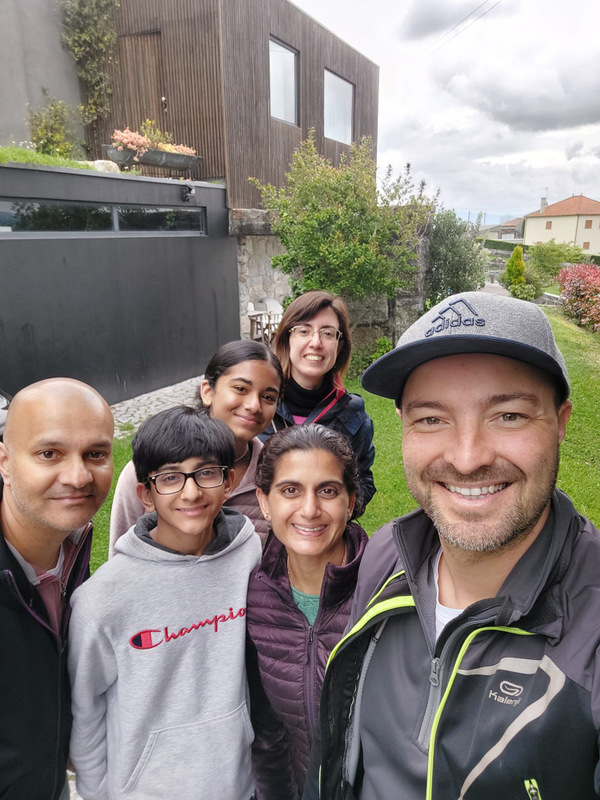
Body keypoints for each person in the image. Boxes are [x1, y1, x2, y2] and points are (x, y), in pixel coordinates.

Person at [305, 292, 600, 800]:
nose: (466, 459)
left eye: (508, 415)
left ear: (561, 424)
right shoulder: (384, 556)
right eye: (432, 418)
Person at [68, 407, 261, 800]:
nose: (191, 492)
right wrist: (96, 792)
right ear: (146, 495)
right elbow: (85, 712)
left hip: (240, 780)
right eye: (170, 478)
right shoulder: (101, 600)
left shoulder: (249, 553)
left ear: (229, 481)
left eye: (206, 473)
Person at [0, 378, 113, 800]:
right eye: (50, 454)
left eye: (96, 454)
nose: (78, 475)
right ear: (5, 462)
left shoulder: (73, 546)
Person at [247, 425, 368, 799]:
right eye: (290, 490)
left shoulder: (386, 588)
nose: (310, 509)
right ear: (264, 502)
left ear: (350, 502)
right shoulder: (254, 596)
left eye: (327, 491)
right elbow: (268, 732)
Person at [109, 340, 283, 552]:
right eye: (240, 388)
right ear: (208, 392)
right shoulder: (149, 471)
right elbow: (121, 557)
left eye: (268, 397)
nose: (254, 405)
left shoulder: (274, 475)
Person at [260, 291, 375, 507]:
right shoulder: (259, 406)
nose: (316, 342)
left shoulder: (353, 417)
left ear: (339, 345)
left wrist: (336, 508)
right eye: (304, 331)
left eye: (328, 333)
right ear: (287, 339)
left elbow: (363, 483)